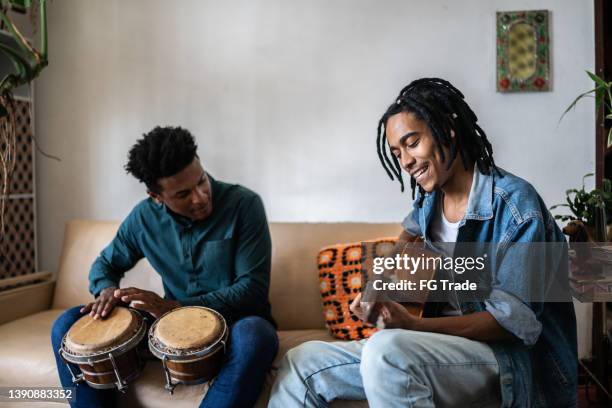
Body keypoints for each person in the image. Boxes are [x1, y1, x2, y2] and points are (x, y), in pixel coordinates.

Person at [268, 78, 577, 407]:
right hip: (440, 350)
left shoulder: (516, 205)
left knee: (386, 351)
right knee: (301, 362)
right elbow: (407, 240)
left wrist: (415, 325)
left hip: (506, 360)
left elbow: (514, 324)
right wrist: (374, 292)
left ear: (447, 129)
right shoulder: (429, 204)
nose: (405, 161)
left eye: (412, 142)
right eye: (397, 152)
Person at [51, 126, 278, 408]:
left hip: (237, 323)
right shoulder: (143, 218)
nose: (200, 197)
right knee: (66, 324)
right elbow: (105, 265)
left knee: (255, 336)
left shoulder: (244, 204)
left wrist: (175, 306)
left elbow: (252, 291)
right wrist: (107, 290)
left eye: (202, 181)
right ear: (155, 196)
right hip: (168, 326)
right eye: (183, 194)